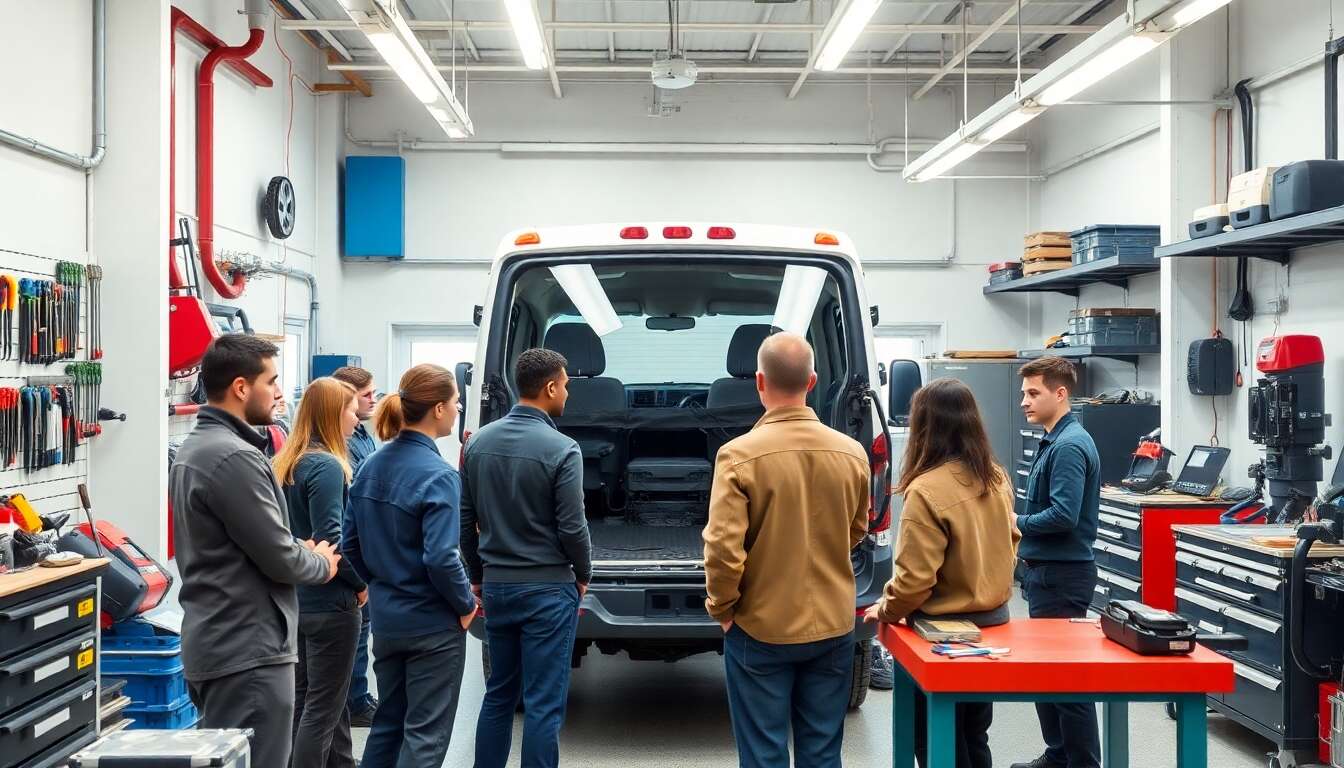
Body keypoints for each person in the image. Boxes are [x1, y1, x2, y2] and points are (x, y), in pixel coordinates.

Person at [170, 334, 340, 767]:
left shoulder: (200, 449)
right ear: (242, 388)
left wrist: (289, 543)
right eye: (272, 380)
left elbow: (251, 541)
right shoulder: (233, 458)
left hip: (226, 642)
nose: (280, 392)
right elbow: (279, 556)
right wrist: (321, 562)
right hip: (248, 650)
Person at [702, 332, 869, 768]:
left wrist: (723, 608)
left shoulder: (737, 455)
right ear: (813, 381)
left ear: (759, 382)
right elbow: (857, 529)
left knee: (763, 754)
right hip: (833, 624)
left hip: (761, 625)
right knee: (822, 751)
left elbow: (723, 549)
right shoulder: (852, 453)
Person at [862, 378, 1021, 768]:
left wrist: (885, 608)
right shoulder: (996, 477)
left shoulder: (926, 489)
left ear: (924, 428)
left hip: (942, 634)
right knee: (973, 731)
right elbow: (1012, 543)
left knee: (933, 735)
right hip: (992, 626)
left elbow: (915, 580)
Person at [342, 364, 477, 768]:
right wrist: (465, 604)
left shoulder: (369, 467)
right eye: (455, 402)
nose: (457, 410)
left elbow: (350, 546)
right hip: (432, 624)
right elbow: (441, 556)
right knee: (425, 735)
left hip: (387, 620)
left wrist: (382, 586)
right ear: (438, 409)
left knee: (388, 725)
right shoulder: (439, 475)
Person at [462, 347, 592, 768]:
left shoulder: (478, 443)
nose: (568, 394)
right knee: (543, 703)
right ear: (551, 387)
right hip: (548, 590)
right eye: (567, 386)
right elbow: (572, 527)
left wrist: (478, 575)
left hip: (499, 587)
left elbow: (466, 519)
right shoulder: (563, 448)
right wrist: (583, 572)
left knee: (500, 693)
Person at [1010, 356, 1102, 768]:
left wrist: (1015, 522)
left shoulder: (1068, 446)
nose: (1024, 402)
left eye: (1033, 393)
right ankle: (1058, 755)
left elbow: (1064, 516)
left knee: (1067, 681)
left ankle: (1080, 762)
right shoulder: (1055, 439)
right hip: (1047, 574)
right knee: (1049, 676)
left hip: (1061, 576)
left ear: (1060, 393)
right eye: (1023, 394)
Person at [274, 377, 367, 768]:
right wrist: (361, 585)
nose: (357, 417)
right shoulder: (327, 466)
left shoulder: (285, 463)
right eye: (350, 409)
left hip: (295, 601)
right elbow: (330, 539)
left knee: (318, 701)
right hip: (330, 603)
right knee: (322, 709)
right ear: (333, 414)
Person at [330, 365, 380, 728]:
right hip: (352, 551)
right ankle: (355, 703)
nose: (373, 400)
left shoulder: (363, 434)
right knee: (357, 632)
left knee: (363, 629)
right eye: (365, 396)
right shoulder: (340, 446)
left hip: (366, 546)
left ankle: (357, 697)